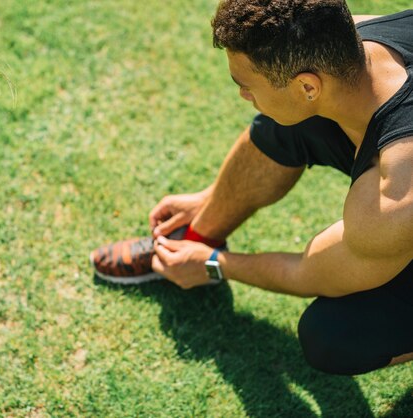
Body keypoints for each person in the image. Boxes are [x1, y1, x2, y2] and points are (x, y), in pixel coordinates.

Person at [91, 0, 413, 375]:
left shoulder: (395, 199)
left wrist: (213, 266)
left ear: (307, 85)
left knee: (332, 336)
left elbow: (310, 273)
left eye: (245, 85)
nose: (243, 96)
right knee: (284, 124)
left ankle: (195, 252)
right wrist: (209, 201)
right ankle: (196, 235)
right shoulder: (345, 39)